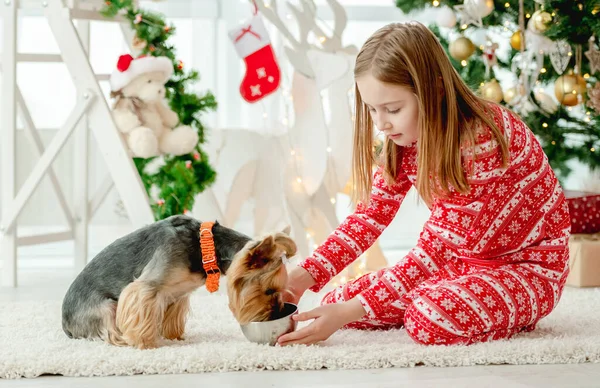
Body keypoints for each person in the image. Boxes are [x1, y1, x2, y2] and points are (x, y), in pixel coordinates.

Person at [277, 21, 571, 347]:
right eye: (373, 110)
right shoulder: (402, 141)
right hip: (462, 266)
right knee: (334, 302)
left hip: (528, 272)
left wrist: (355, 311)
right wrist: (303, 276)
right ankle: (436, 298)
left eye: (393, 109)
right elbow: (368, 218)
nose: (382, 123)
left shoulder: (480, 138)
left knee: (427, 317)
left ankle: (494, 311)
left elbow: (433, 252)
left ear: (435, 90)